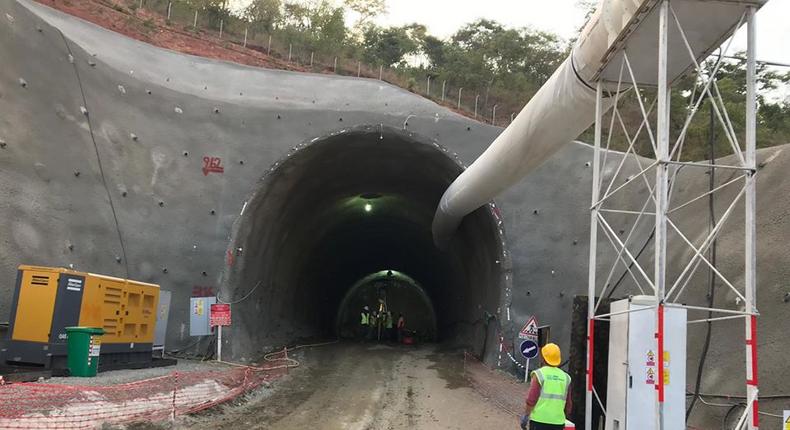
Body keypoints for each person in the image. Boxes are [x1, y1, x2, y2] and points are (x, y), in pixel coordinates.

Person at [521, 343, 571, 430]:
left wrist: (526, 415)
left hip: (539, 421)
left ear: (543, 358)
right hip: (558, 422)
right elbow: (569, 405)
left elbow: (531, 400)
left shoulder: (539, 374)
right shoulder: (566, 377)